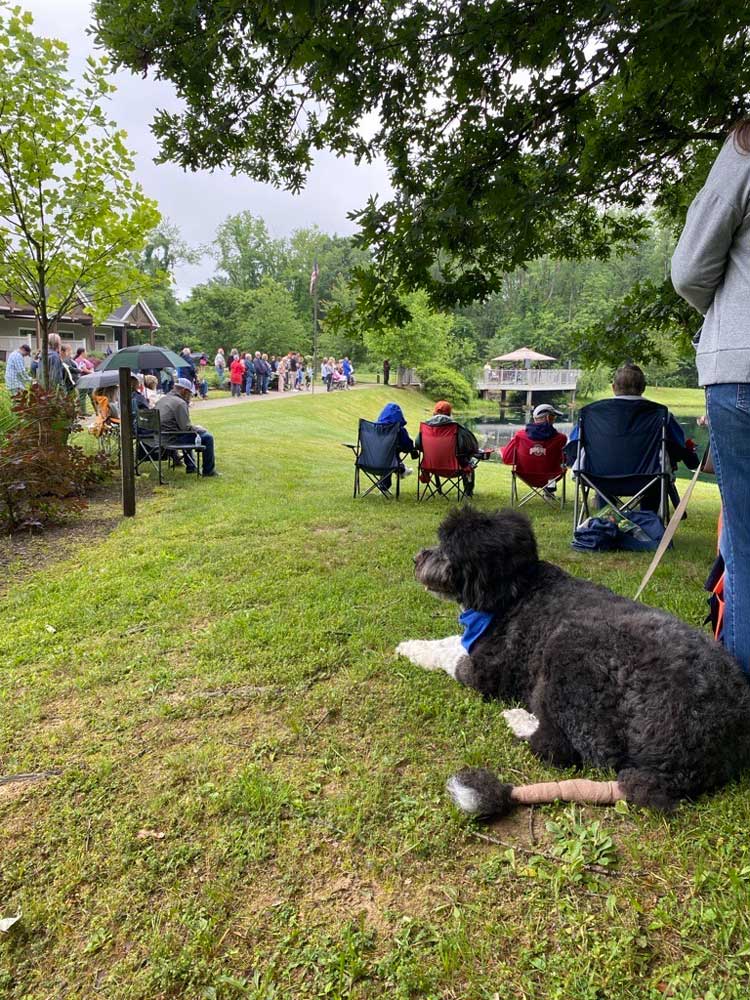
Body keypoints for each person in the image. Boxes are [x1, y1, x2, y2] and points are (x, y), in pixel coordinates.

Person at [671, 122, 750, 676]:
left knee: (745, 550)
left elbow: (692, 269)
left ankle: (737, 704)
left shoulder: (745, 150)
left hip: (743, 368)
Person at [566, 364, 699, 509]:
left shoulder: (589, 414)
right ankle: (649, 522)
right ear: (643, 387)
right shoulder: (660, 414)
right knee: (656, 472)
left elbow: (572, 446)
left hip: (596, 478)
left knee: (602, 472)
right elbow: (679, 445)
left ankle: (604, 520)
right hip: (648, 480)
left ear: (613, 387)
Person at [417, 400, 484, 497]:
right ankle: (468, 493)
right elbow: (473, 445)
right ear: (449, 413)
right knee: (469, 463)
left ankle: (439, 490)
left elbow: (418, 444)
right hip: (455, 468)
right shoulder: (456, 427)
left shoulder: (425, 427)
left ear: (434, 412)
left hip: (430, 467)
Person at [502, 403, 568, 499]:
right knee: (555, 466)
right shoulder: (561, 438)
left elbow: (506, 458)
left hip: (525, 475)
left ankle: (549, 492)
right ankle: (549, 492)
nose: (554, 420)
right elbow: (564, 460)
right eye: (553, 417)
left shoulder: (520, 436)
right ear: (548, 418)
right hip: (551, 476)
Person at [155, 377, 218, 477]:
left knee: (188, 435)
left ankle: (191, 466)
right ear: (184, 391)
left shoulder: (162, 400)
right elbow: (186, 428)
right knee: (207, 437)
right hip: (171, 438)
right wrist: (199, 429)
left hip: (158, 437)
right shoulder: (180, 403)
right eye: (190, 394)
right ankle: (208, 471)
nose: (190, 396)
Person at [375, 402, 415, 490]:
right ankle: (402, 469)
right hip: (389, 464)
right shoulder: (399, 430)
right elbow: (407, 446)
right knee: (391, 452)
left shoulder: (374, 428)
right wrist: (412, 450)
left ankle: (401, 470)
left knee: (388, 450)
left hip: (369, 462)